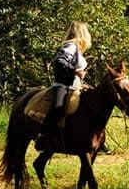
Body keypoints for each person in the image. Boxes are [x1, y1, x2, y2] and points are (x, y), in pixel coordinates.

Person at [36, 21, 92, 151]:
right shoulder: (71, 46)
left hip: (75, 86)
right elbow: (60, 62)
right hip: (63, 85)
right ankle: (42, 137)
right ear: (82, 34)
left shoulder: (76, 48)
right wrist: (75, 71)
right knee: (58, 107)